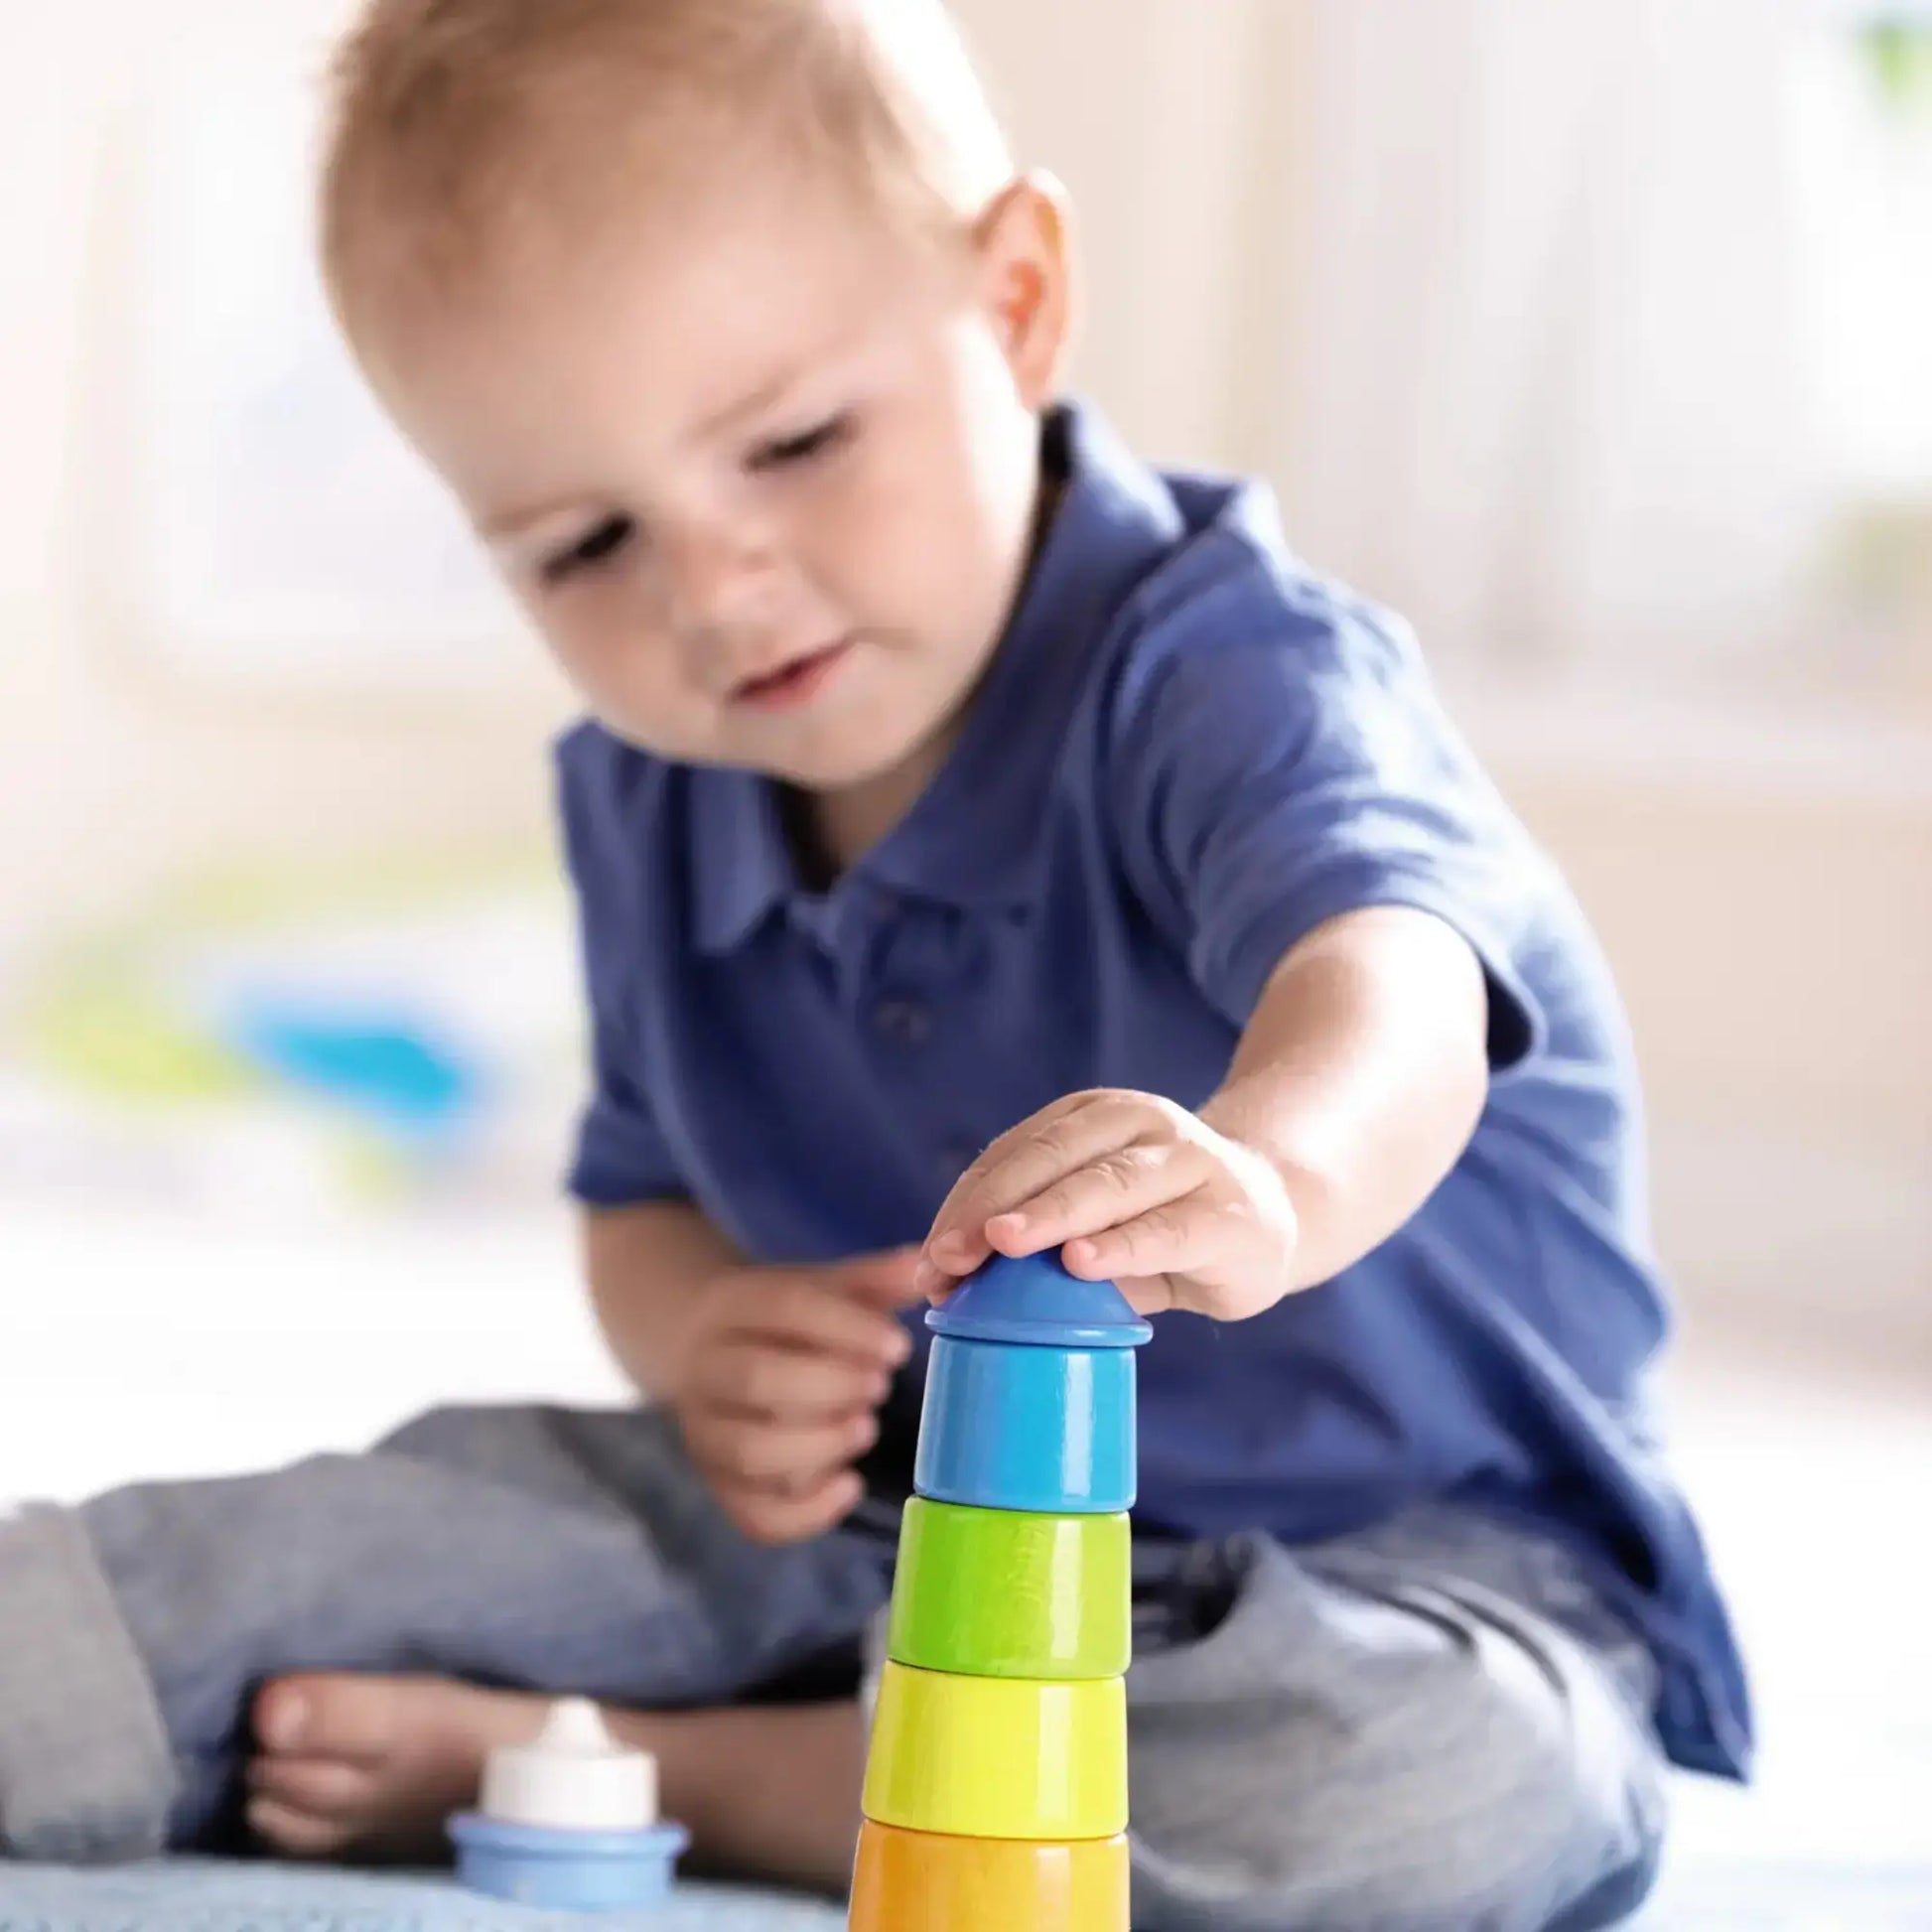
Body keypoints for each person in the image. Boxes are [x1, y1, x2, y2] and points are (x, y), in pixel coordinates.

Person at [0, 1, 1749, 1923]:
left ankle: (670, 1773)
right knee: (331, 1548)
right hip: (878, 1534)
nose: (715, 584)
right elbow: (643, 1191)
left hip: (1393, 1571)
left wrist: (1270, 1168)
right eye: (583, 544)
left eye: (794, 442)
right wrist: (702, 1344)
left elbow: (1398, 972)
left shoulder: (1229, 673)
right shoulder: (651, 792)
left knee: (1447, 1795)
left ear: (1012, 303)